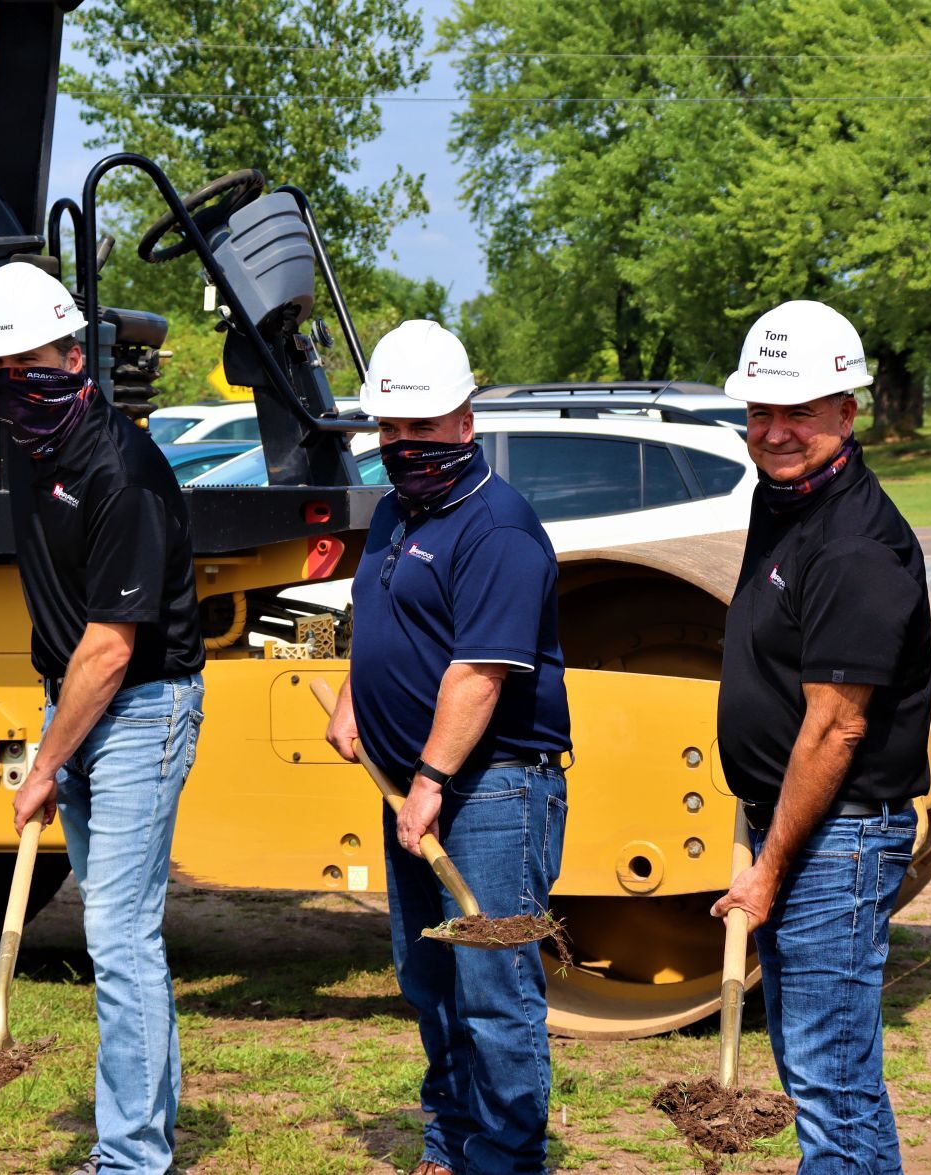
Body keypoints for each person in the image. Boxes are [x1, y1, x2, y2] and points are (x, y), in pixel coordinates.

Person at [0, 262, 205, 1175]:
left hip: (143, 707)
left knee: (117, 930)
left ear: (75, 357)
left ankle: (132, 1159)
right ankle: (142, 1137)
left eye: (26, 369)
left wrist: (42, 766)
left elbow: (110, 649)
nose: (11, 392)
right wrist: (55, 734)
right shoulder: (34, 451)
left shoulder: (125, 471)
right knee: (125, 930)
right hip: (77, 701)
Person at [322, 320, 571, 1175]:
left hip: (492, 793)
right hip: (412, 789)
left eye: (420, 427)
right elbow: (383, 616)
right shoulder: (395, 510)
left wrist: (429, 775)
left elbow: (479, 673)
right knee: (428, 978)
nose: (402, 445)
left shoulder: (496, 526)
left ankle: (505, 1157)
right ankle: (450, 1139)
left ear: (465, 422)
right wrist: (355, 700)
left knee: (494, 988)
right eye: (389, 430)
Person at [710, 300, 931, 1172]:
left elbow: (837, 727)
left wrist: (767, 868)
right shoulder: (789, 503)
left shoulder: (851, 544)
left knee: (827, 1079)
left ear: (847, 410)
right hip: (803, 825)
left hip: (835, 838)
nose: (773, 431)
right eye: (760, 411)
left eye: (798, 412)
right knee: (827, 1073)